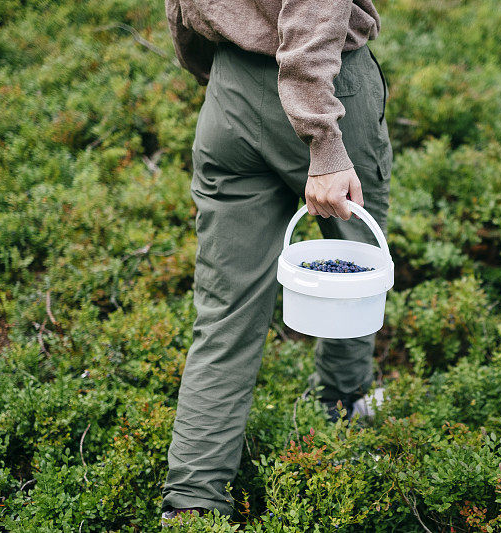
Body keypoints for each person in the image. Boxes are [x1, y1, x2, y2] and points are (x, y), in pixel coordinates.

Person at [160, 0, 392, 523]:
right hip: (330, 99)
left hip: (231, 89)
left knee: (224, 314)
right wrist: (324, 144)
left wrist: (220, 72)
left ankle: (193, 501)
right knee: (356, 270)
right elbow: (314, 17)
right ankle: (341, 406)